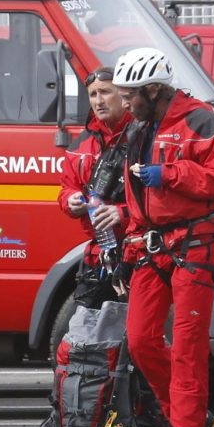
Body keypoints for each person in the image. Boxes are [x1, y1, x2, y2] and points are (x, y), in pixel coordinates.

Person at [112, 47, 214, 427]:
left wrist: (170, 174)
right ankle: (195, 422)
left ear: (153, 89)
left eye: (130, 95)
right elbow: (134, 194)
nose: (124, 103)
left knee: (187, 348)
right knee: (141, 340)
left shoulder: (202, 121)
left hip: (194, 245)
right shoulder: (138, 129)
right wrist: (130, 238)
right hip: (151, 246)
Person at [58, 67, 132, 310]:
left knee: (139, 335)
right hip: (99, 252)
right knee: (84, 331)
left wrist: (120, 213)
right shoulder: (82, 142)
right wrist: (71, 201)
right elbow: (67, 188)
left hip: (138, 251)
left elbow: (161, 198)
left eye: (105, 92)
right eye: (92, 94)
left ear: (123, 94)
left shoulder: (143, 136)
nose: (98, 101)